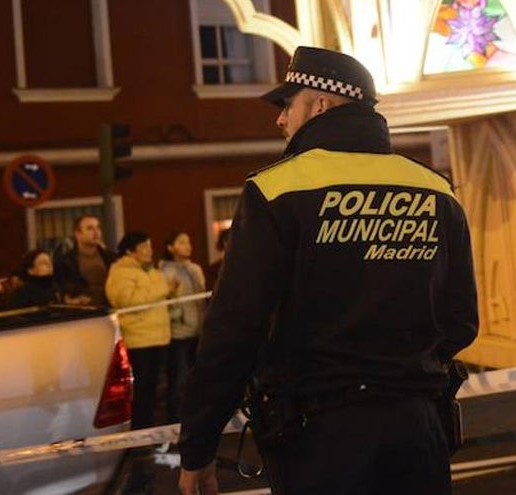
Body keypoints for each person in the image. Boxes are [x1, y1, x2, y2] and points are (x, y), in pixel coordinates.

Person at [178, 47, 479, 495]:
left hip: (318, 437)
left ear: (320, 103)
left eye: (288, 103)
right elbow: (461, 320)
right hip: (417, 430)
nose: (280, 120)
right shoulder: (435, 190)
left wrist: (198, 448)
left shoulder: (277, 190)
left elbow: (235, 329)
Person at [106, 231, 172, 429]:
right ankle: (140, 429)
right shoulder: (121, 272)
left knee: (153, 387)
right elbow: (127, 300)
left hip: (158, 337)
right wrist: (163, 289)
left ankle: (150, 426)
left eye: (150, 246)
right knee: (141, 388)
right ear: (130, 251)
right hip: (138, 339)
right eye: (144, 247)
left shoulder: (152, 271)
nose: (149, 251)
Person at [161, 231, 207, 424]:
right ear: (170, 247)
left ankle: (198, 412)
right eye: (181, 242)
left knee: (198, 375)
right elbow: (167, 300)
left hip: (198, 329)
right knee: (179, 376)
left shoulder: (195, 268)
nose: (187, 246)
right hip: (178, 332)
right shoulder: (165, 270)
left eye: (188, 242)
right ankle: (176, 416)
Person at [54, 214, 114, 306]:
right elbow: (60, 289)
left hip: (109, 308)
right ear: (78, 234)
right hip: (83, 311)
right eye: (90, 228)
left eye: (98, 227)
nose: (96, 232)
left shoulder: (110, 257)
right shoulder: (66, 261)